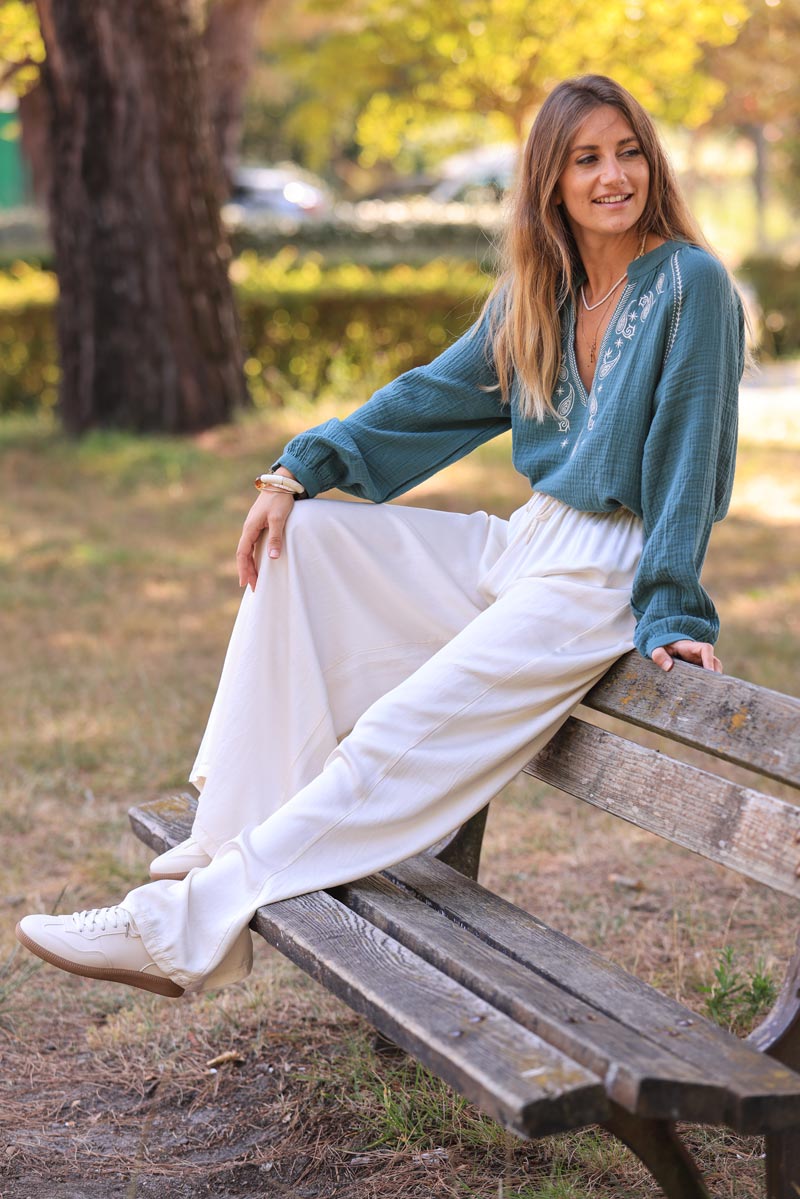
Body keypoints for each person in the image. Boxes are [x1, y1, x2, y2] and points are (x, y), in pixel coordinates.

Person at [16, 74, 744, 998]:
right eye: (586, 158)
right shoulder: (544, 291)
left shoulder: (693, 284)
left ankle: (182, 926)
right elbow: (432, 399)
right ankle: (226, 831)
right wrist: (296, 470)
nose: (614, 176)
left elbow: (691, 457)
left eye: (629, 151)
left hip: (604, 573)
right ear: (549, 182)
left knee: (400, 731)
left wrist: (674, 606)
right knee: (308, 541)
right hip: (529, 546)